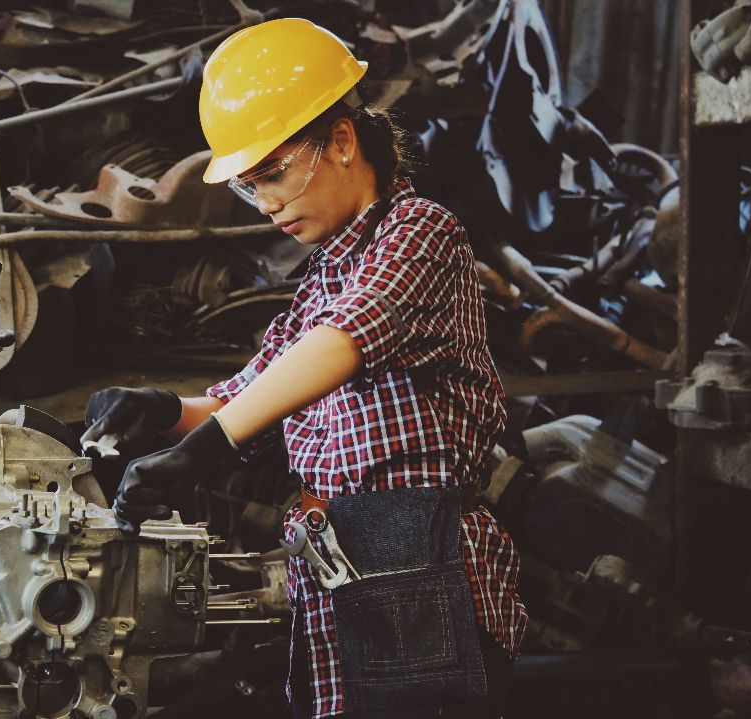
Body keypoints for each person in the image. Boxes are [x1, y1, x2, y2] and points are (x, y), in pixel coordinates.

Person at [81, 18, 527, 719]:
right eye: (250, 186)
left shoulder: (422, 234)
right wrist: (163, 408)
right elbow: (249, 398)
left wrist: (202, 448)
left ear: (343, 141)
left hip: (422, 573)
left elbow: (344, 342)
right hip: (343, 574)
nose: (266, 204)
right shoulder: (320, 281)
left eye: (275, 172)